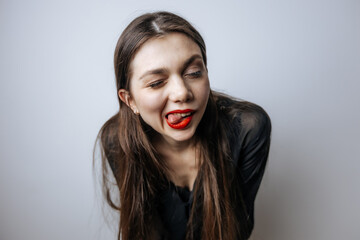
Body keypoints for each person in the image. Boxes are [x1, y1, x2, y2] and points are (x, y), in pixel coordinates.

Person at [96, 11, 271, 240]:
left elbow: (235, 230)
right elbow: (147, 232)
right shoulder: (116, 139)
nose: (181, 93)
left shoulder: (248, 128)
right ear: (130, 100)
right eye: (157, 82)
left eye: (193, 73)